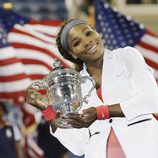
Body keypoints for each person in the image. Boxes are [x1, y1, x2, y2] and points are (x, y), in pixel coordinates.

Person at [26, 19, 158, 158]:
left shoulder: (125, 56)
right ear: (73, 54)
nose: (87, 41)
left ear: (97, 32)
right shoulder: (76, 84)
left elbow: (152, 100)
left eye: (88, 33)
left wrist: (100, 112)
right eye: (77, 43)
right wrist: (47, 110)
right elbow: (79, 146)